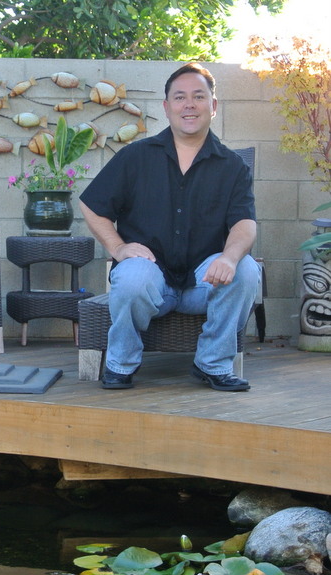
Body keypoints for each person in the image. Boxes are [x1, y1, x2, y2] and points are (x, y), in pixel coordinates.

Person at [79, 62, 261, 392]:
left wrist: (230, 258)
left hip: (203, 283)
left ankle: (213, 364)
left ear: (213, 106)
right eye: (179, 97)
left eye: (198, 96)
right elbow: (92, 205)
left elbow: (245, 224)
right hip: (152, 279)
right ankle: (120, 364)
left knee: (247, 270)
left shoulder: (232, 166)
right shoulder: (135, 156)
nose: (189, 105)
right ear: (166, 107)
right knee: (131, 275)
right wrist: (119, 248)